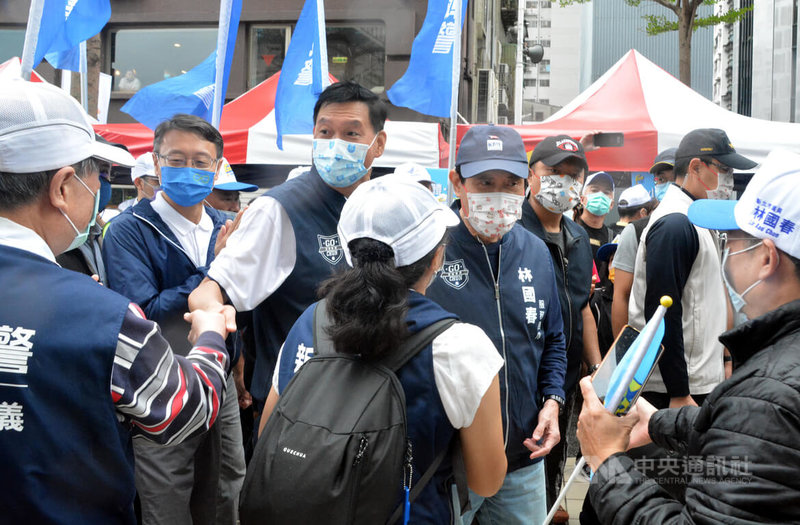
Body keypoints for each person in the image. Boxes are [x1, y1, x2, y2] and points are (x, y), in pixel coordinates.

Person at [0, 79, 230, 524]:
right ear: (64, 186)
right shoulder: (100, 314)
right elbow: (186, 409)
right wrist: (211, 335)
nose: (101, 188)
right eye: (97, 176)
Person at [260, 175, 507, 521]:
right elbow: (487, 481)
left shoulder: (311, 322)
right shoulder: (460, 346)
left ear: (349, 252)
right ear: (437, 258)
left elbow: (269, 433)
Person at [577, 148, 800, 523]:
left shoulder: (767, 395)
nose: (727, 254)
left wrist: (607, 462)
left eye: (732, 243)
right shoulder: (772, 378)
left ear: (766, 259)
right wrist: (659, 422)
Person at [188, 81, 388, 419]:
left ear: (378, 143)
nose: (335, 144)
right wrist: (213, 322)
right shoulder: (277, 210)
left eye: (351, 134)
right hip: (294, 414)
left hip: (366, 407)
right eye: (325, 132)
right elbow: (210, 292)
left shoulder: (381, 211)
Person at [102, 114, 245, 525]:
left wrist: (236, 364)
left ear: (217, 168)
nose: (190, 170)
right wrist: (213, 272)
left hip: (218, 372)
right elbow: (142, 308)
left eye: (201, 162)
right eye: (177, 159)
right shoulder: (130, 230)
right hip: (157, 379)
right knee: (166, 487)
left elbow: (239, 303)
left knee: (228, 479)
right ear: (156, 162)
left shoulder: (225, 225)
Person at [425, 125, 567, 524]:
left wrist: (553, 401)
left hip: (523, 457)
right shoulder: (429, 249)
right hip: (446, 465)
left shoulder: (536, 251)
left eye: (511, 183)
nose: (498, 196)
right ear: (457, 182)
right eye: (485, 182)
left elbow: (552, 337)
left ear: (526, 186)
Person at [628, 128, 756, 411]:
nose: (729, 180)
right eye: (724, 169)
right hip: (676, 390)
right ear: (696, 167)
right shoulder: (675, 222)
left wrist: (722, 360)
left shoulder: (697, 216)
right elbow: (662, 311)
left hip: (697, 379)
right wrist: (678, 391)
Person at [521, 134, 602, 522]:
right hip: (522, 376)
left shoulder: (579, 236)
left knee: (557, 454)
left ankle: (549, 506)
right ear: (532, 175)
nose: (563, 183)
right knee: (523, 460)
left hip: (566, 377)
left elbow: (583, 306)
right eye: (554, 172)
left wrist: (597, 364)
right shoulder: (514, 232)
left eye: (573, 176)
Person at [611, 151, 682, 337]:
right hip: (648, 342)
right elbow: (621, 295)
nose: (661, 182)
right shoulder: (636, 231)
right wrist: (622, 349)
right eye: (659, 179)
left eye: (669, 178)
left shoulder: (705, 226)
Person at [57, 139, 135, 283]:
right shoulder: (51, 240)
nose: (102, 184)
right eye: (101, 173)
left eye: (107, 175)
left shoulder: (99, 234)